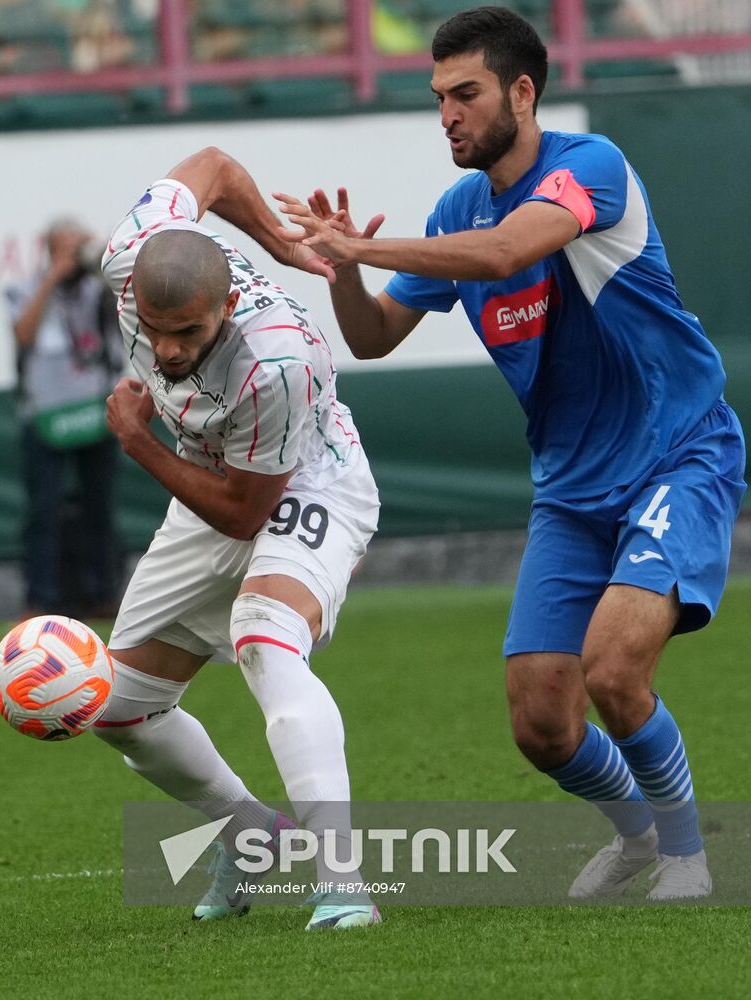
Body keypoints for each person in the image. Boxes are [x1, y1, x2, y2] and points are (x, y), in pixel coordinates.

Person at [274, 5, 747, 899]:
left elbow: (502, 254)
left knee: (612, 668)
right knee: (541, 723)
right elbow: (373, 338)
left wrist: (360, 241)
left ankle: (690, 855)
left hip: (677, 454)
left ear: (522, 94)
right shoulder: (458, 204)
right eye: (437, 97)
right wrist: (342, 270)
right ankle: (638, 835)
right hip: (571, 487)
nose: (446, 114)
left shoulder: (591, 169)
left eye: (465, 94)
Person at [96, 146, 381, 931]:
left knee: (265, 634)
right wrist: (278, 238)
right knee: (117, 707)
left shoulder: (272, 363)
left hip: (305, 482)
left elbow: (245, 515)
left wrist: (137, 441)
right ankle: (249, 832)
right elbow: (215, 166)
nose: (167, 351)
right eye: (154, 331)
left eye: (186, 332)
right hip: (210, 480)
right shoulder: (131, 252)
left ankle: (343, 882)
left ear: (223, 308)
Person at [6, 217, 123, 620]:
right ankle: (40, 598)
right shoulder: (26, 288)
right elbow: (22, 333)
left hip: (95, 410)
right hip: (45, 416)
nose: (74, 256)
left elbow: (129, 314)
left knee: (99, 509)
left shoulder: (97, 290)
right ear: (50, 249)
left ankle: (102, 594)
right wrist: (52, 278)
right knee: (43, 510)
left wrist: (105, 262)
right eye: (67, 248)